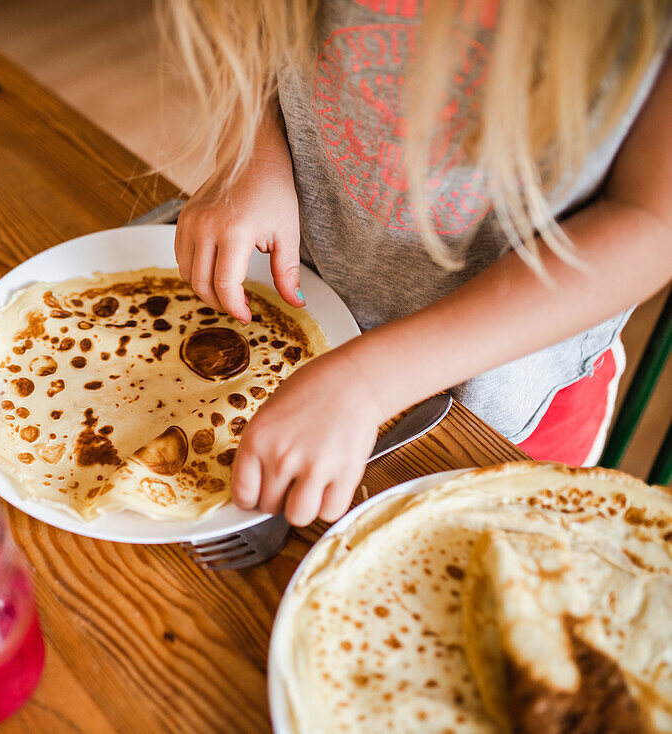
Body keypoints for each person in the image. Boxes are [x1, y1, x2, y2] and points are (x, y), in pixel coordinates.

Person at [164, 0, 672, 526]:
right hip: (293, 318)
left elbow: (653, 223)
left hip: (504, 416)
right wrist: (251, 146)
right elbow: (247, 20)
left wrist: (368, 383)